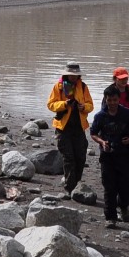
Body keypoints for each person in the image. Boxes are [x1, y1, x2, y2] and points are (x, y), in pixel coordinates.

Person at [92, 82, 129, 223]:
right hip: (107, 156)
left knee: (126, 186)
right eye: (109, 100)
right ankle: (110, 218)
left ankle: (123, 207)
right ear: (105, 100)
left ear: (119, 99)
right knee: (109, 188)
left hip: (125, 156)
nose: (112, 103)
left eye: (115, 100)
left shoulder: (127, 114)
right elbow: (93, 133)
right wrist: (101, 142)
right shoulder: (100, 116)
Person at [46, 62, 92, 196]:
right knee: (69, 158)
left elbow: (90, 105)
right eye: (71, 75)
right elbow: (51, 104)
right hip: (63, 129)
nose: (73, 78)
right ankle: (69, 188)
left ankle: (77, 184)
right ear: (66, 74)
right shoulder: (58, 87)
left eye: (75, 75)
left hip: (79, 128)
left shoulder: (83, 87)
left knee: (81, 157)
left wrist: (83, 107)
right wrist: (64, 104)